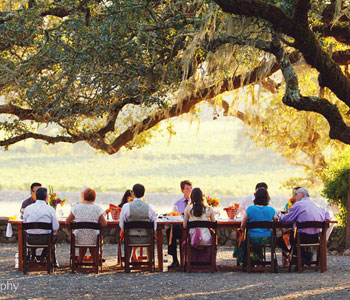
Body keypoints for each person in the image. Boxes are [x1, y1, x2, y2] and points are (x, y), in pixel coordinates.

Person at [278, 187, 331, 266]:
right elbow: (327, 216)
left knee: (280, 241)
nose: (294, 197)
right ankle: (304, 257)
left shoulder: (299, 205)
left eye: (296, 194)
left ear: (302, 194)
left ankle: (304, 256)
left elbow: (287, 219)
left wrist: (279, 218)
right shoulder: (316, 205)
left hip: (301, 237)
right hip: (315, 237)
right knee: (291, 237)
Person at [234, 188, 276, 265]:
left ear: (255, 197)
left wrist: (243, 230)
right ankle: (259, 260)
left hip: (252, 239)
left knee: (241, 239)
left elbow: (242, 224)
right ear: (267, 198)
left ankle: (248, 261)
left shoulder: (250, 209)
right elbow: (276, 219)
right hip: (266, 239)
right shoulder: (271, 210)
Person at [66, 188, 107, 264]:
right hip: (93, 238)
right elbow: (104, 224)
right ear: (94, 197)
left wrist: (77, 222)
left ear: (83, 197)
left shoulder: (76, 207)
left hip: (78, 238)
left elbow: (67, 221)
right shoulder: (97, 208)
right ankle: (95, 262)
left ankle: (80, 261)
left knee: (83, 235)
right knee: (91, 235)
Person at [23, 187, 60, 267]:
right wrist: (53, 232)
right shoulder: (50, 209)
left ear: (36, 196)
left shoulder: (28, 209)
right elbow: (56, 227)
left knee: (30, 234)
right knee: (55, 236)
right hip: (46, 239)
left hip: (31, 239)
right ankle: (45, 255)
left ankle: (33, 255)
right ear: (46, 197)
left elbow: (24, 225)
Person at [183, 187, 216, 268]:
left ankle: (190, 264)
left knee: (184, 243)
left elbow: (185, 225)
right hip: (206, 240)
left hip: (192, 240)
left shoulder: (188, 209)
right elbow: (214, 223)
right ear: (202, 197)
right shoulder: (209, 209)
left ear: (192, 197)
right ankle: (208, 264)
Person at [166, 180, 192, 268]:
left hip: (192, 229)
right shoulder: (177, 203)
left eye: (190, 189)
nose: (189, 191)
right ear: (182, 190)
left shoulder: (195, 202)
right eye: (187, 189)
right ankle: (175, 259)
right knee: (170, 231)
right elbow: (175, 215)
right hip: (181, 228)